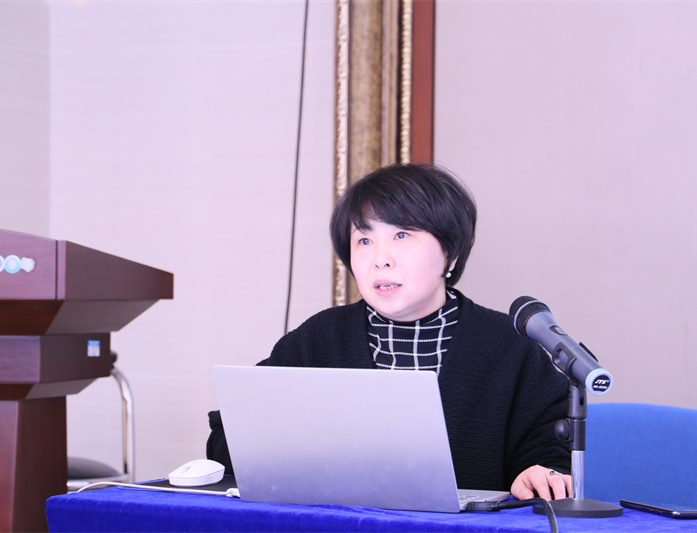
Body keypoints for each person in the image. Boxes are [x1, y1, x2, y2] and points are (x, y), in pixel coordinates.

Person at [207, 163, 572, 501]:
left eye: (401, 235)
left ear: (450, 253)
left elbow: (552, 448)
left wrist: (539, 472)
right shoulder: (319, 337)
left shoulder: (509, 345)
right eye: (364, 241)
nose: (381, 258)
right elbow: (228, 441)